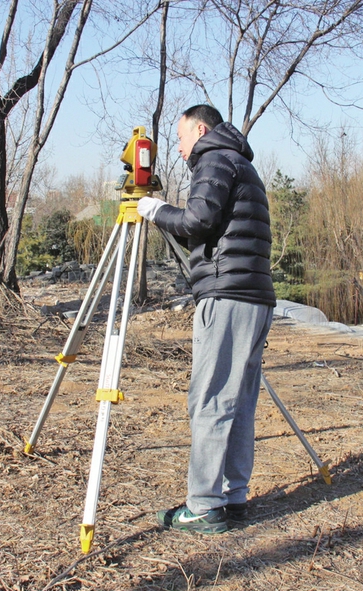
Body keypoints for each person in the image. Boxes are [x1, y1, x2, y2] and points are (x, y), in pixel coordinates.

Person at [135, 104, 275, 534]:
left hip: (228, 295)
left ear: (201, 129)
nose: (178, 150)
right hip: (254, 297)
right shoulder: (241, 163)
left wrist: (155, 210)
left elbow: (199, 218)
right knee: (239, 401)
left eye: (180, 139)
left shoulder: (214, 159)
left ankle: (203, 504)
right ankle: (232, 497)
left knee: (211, 398)